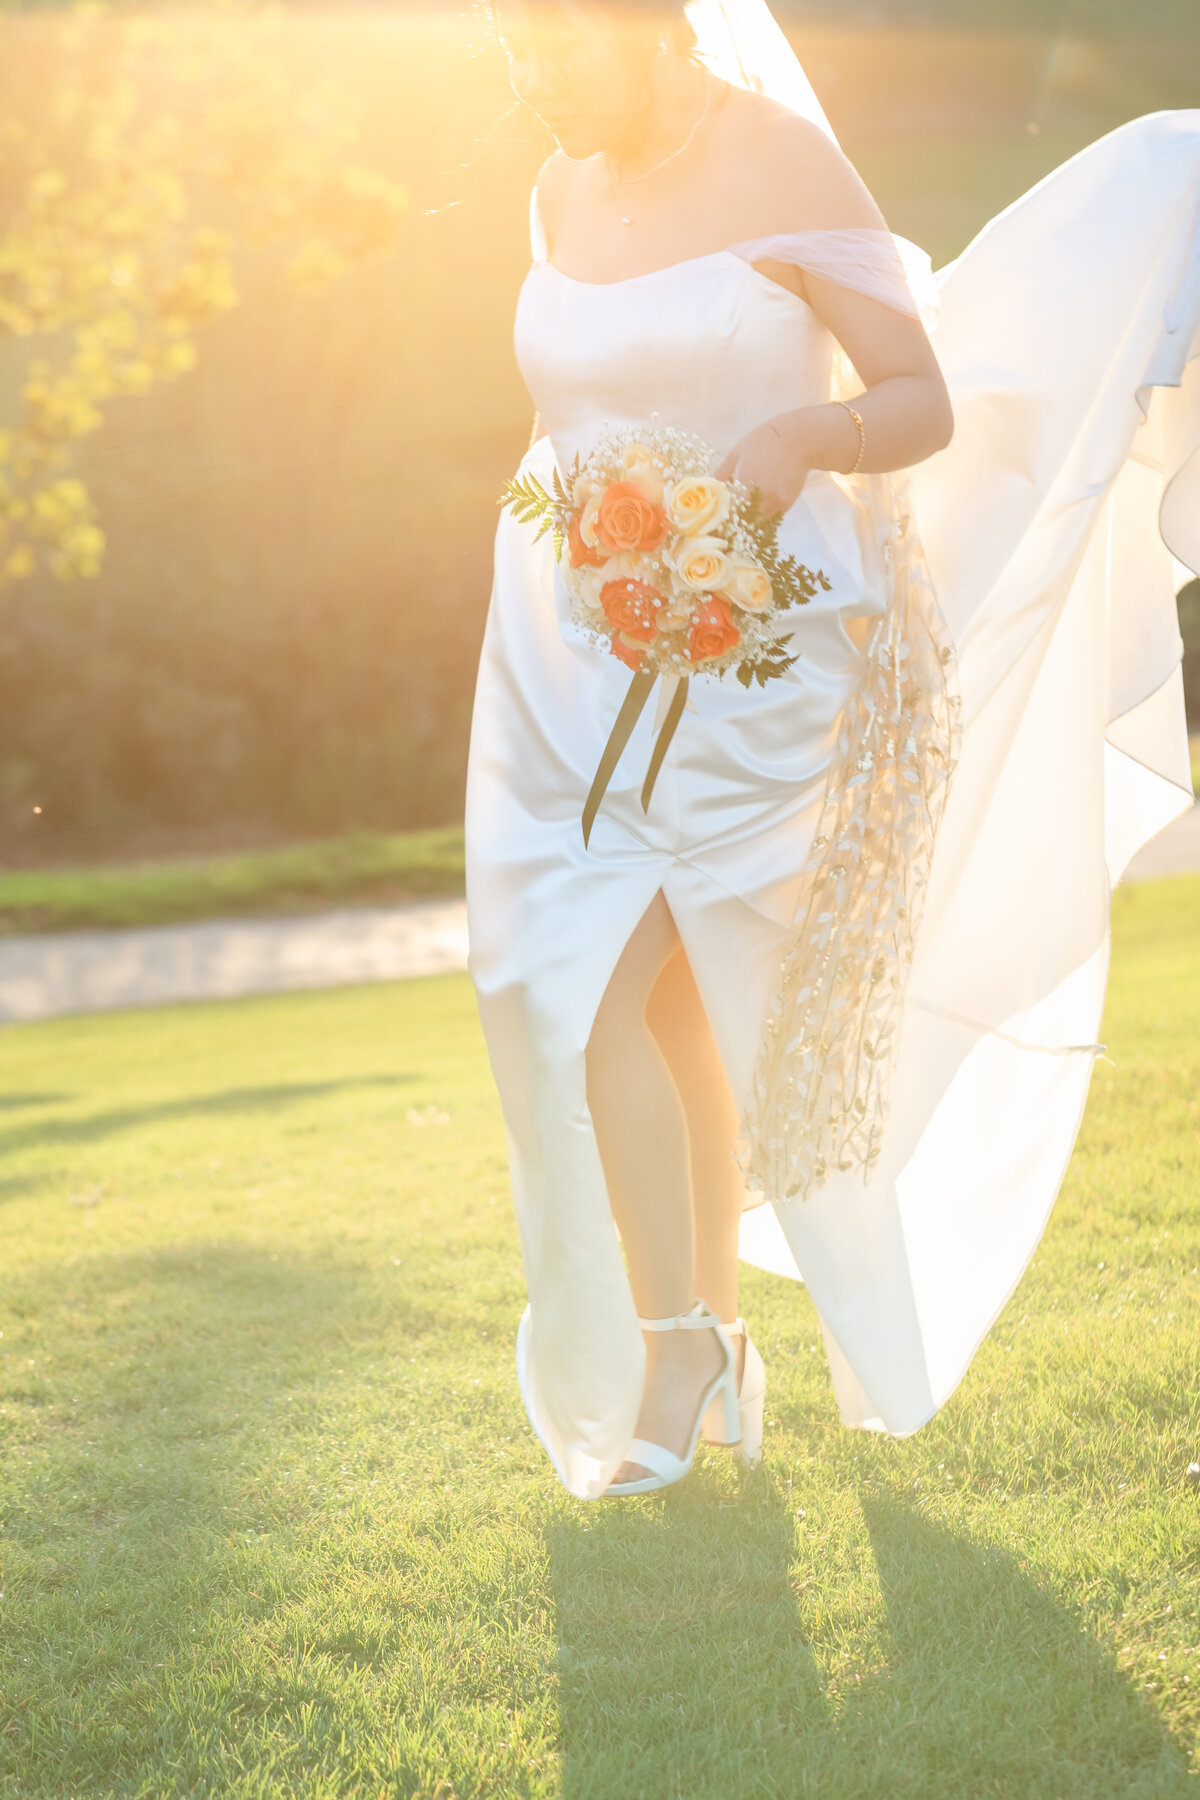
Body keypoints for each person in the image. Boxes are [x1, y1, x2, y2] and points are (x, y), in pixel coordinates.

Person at [465, 0, 1200, 1500]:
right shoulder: (558, 182)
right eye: (513, 56)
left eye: (562, 50)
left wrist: (802, 444)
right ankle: (698, 1344)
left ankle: (700, 1349)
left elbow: (917, 396)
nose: (536, 85)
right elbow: (575, 405)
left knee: (673, 990)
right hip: (574, 643)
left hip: (759, 638)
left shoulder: (786, 163)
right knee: (592, 988)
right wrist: (601, 557)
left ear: (654, 28)